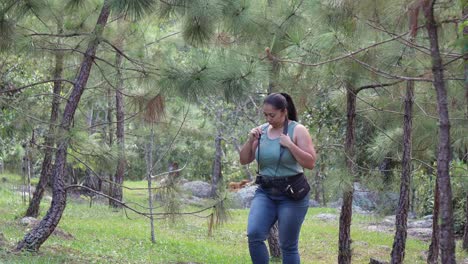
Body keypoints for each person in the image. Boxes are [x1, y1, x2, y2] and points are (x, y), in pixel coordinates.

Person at [239, 93, 316, 264]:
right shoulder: (262, 131)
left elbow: (310, 163)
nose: (268, 118)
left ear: (284, 112)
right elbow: (244, 159)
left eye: (271, 115)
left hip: (292, 195)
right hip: (265, 192)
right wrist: (250, 139)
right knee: (254, 234)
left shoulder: (297, 130)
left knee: (288, 246)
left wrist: (290, 145)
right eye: (265, 115)